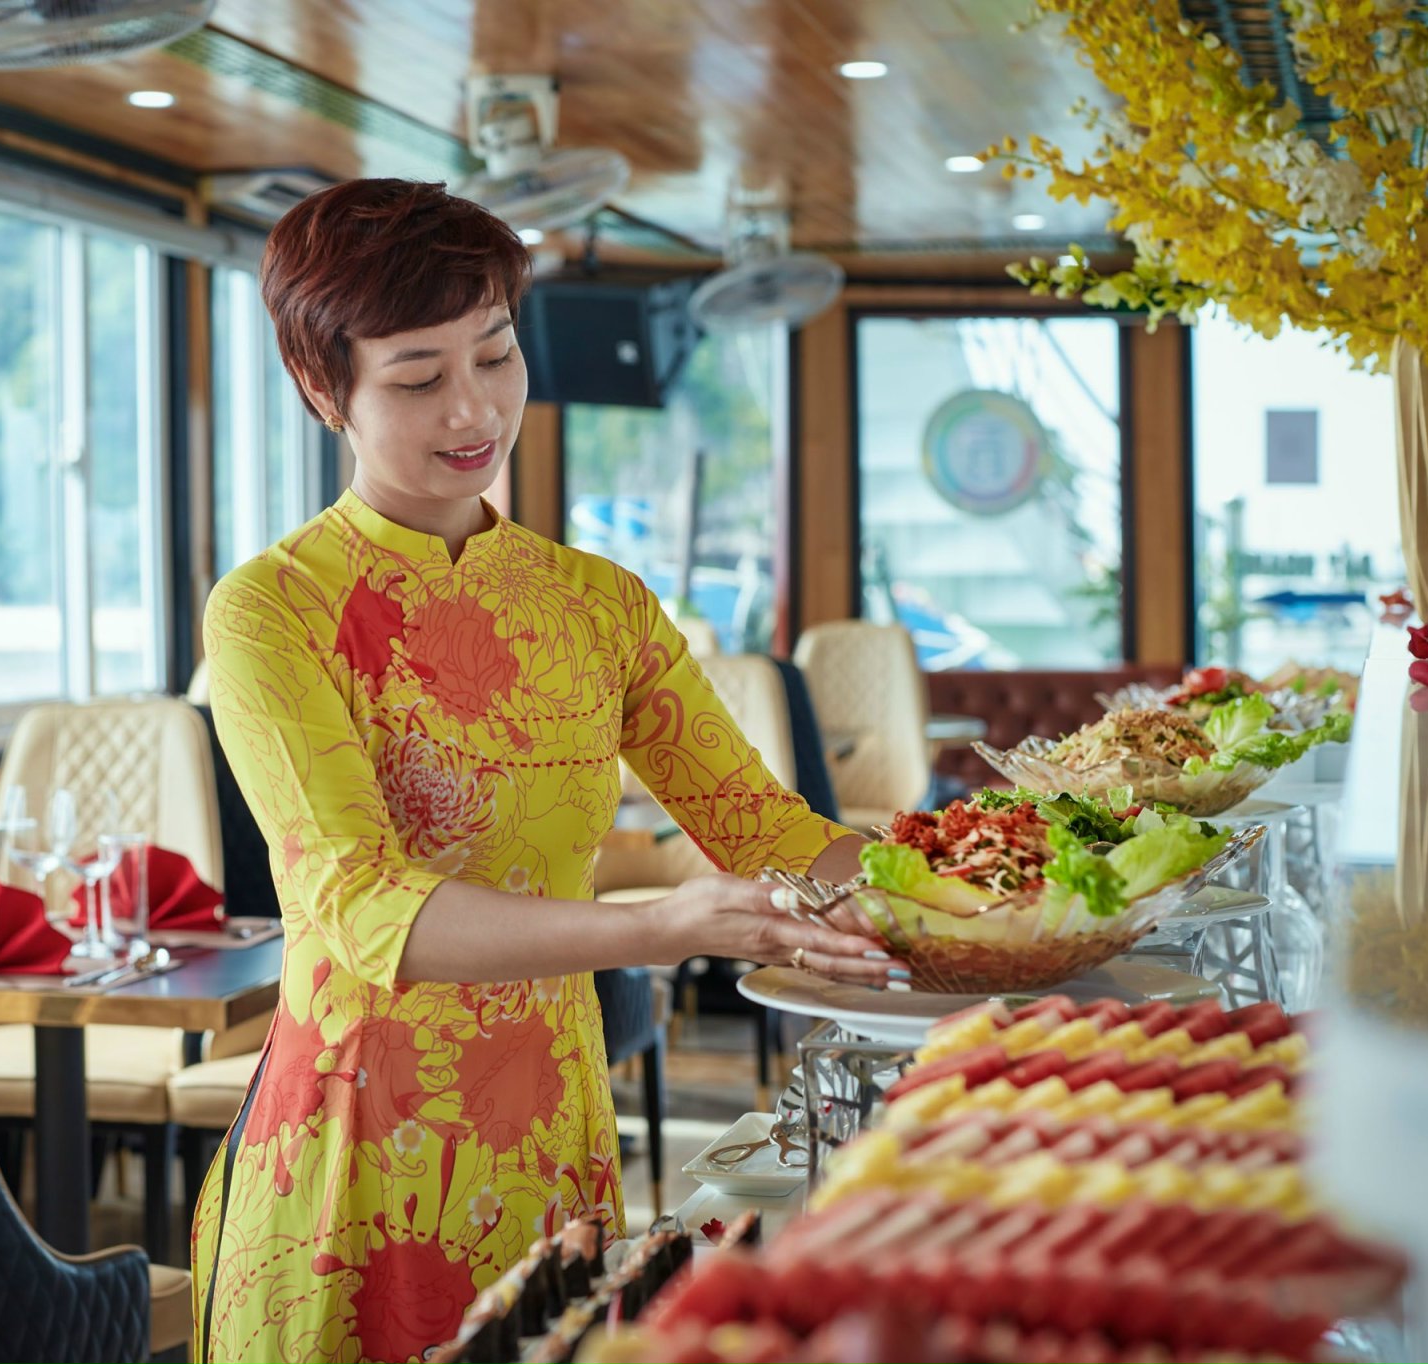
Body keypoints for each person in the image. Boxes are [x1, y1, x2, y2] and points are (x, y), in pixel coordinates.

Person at [189, 178, 899, 1364]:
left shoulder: (597, 602)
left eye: (495, 353)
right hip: (362, 1145)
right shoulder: (273, 608)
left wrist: (981, 891)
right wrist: (656, 926)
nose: (472, 406)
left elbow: (762, 826)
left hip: (550, 1122)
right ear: (322, 388)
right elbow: (363, 905)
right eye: (416, 377)